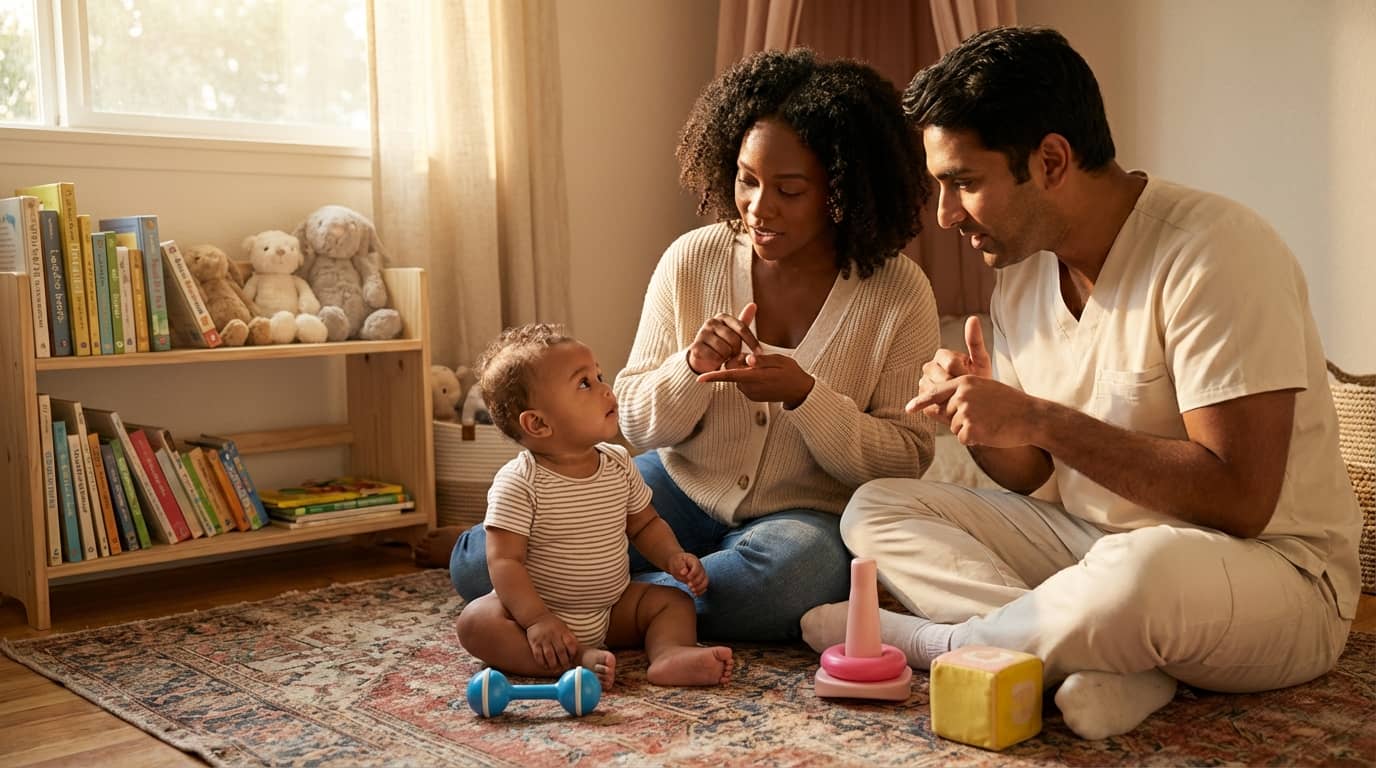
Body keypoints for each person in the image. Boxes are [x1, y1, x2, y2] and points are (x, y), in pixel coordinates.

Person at [800, 26, 1362, 740]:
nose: (943, 217)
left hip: (1275, 573)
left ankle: (949, 645)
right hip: (1091, 548)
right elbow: (1039, 479)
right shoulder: (1024, 273)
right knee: (874, 511)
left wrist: (1039, 419)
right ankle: (1103, 656)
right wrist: (987, 423)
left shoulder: (1215, 253)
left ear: (1053, 160)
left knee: (1144, 571)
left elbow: (1240, 499)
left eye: (964, 183)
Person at [436, 48, 942, 642]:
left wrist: (807, 397)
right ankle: (635, 601)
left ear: (842, 190)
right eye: (747, 180)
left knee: (787, 582)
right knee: (476, 564)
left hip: (802, 519)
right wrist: (691, 366)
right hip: (673, 487)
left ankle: (602, 597)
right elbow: (632, 420)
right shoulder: (692, 258)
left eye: (790, 189)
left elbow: (907, 455)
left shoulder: (899, 291)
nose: (759, 207)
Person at [454, 323, 732, 688]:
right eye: (584, 383)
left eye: (598, 375)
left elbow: (645, 525)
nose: (605, 388)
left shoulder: (618, 462)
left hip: (612, 607)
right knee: (475, 623)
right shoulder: (519, 482)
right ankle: (568, 662)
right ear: (538, 423)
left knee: (672, 602)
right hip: (542, 611)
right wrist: (537, 619)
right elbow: (504, 561)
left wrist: (672, 558)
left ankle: (669, 654)